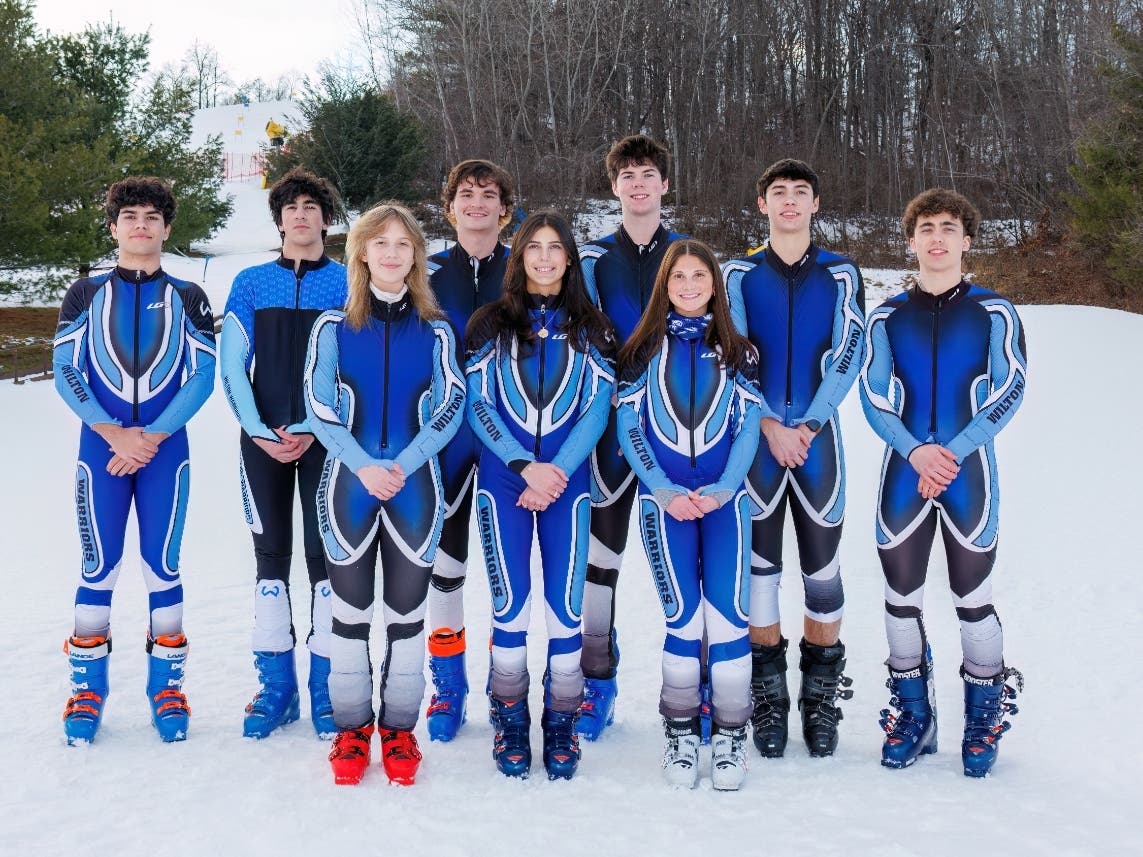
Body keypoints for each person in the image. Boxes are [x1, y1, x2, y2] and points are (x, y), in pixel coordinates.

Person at [859, 188, 1026, 777]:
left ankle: (983, 718)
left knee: (971, 599)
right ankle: (914, 715)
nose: (936, 237)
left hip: (967, 472)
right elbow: (873, 396)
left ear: (966, 239)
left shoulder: (995, 311)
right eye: (925, 228)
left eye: (948, 228)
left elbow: (1011, 390)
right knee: (900, 600)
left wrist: (947, 454)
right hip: (904, 474)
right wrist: (916, 452)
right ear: (910, 241)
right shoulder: (886, 316)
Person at [304, 203, 465, 785]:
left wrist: (400, 462)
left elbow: (450, 406)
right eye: (381, 243)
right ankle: (351, 732)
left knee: (406, 619)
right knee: (347, 617)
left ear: (416, 255)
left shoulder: (437, 328)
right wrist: (363, 465)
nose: (393, 252)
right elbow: (319, 408)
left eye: (404, 244)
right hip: (349, 487)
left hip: (415, 488)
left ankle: (399, 731)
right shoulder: (332, 326)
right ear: (362, 253)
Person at [54, 176, 216, 744]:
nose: (141, 225)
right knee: (99, 565)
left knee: (161, 566)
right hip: (100, 451)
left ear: (167, 228)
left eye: (152, 216)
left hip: (166, 453)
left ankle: (165, 687)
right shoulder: (85, 293)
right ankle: (86, 690)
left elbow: (202, 377)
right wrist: (111, 433)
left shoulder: (189, 296)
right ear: (114, 227)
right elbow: (66, 372)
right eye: (130, 217)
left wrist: (150, 436)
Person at [466, 211, 615, 779]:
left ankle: (560, 717)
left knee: (565, 605)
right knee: (512, 603)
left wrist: (554, 471)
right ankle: (508, 716)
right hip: (504, 479)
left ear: (570, 259)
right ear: (519, 255)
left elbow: (598, 410)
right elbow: (478, 404)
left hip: (568, 482)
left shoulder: (593, 327)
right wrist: (524, 466)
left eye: (556, 248)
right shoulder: (488, 324)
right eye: (535, 248)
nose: (546, 258)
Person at [723, 158, 864, 758]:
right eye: (778, 192)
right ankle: (770, 695)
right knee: (760, 576)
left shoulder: (841, 272)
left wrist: (803, 423)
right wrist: (767, 422)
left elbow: (848, 352)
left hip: (816, 438)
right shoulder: (737, 272)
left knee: (822, 573)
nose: (788, 201)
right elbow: (728, 350)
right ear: (762, 204)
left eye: (800, 192)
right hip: (756, 438)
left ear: (814, 204)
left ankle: (820, 697)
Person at [616, 241, 762, 790]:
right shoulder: (641, 349)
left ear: (714, 285)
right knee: (683, 620)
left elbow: (748, 429)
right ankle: (679, 731)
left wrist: (726, 488)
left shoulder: (739, 351)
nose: (690, 285)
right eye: (679, 276)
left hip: (727, 504)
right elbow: (631, 430)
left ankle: (729, 735)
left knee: (727, 619)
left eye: (700, 275)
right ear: (665, 285)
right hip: (665, 504)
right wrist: (662, 487)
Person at [220, 168, 348, 740]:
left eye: (311, 207)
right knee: (270, 566)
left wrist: (316, 425)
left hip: (326, 440)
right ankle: (277, 691)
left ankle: (325, 690)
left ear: (326, 218)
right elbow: (232, 361)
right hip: (261, 441)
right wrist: (257, 427)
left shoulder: (348, 283)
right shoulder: (250, 283)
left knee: (326, 567)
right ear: (279, 220)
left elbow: (354, 371)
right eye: (291, 208)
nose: (301, 215)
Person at [577, 134, 685, 739]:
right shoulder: (591, 260)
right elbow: (587, 341)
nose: (639, 184)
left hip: (679, 432)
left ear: (664, 185)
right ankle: (598, 683)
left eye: (649, 174)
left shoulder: (688, 254)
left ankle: (690, 688)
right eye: (628, 176)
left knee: (683, 567)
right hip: (612, 434)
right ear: (614, 186)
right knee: (601, 564)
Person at [422, 159, 515, 742]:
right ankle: (447, 690)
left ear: (505, 208)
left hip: (512, 435)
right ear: (449, 206)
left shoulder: (528, 265)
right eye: (465, 194)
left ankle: (508, 691)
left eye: (488, 194)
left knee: (513, 573)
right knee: (446, 568)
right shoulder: (424, 270)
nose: (476, 202)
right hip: (447, 438)